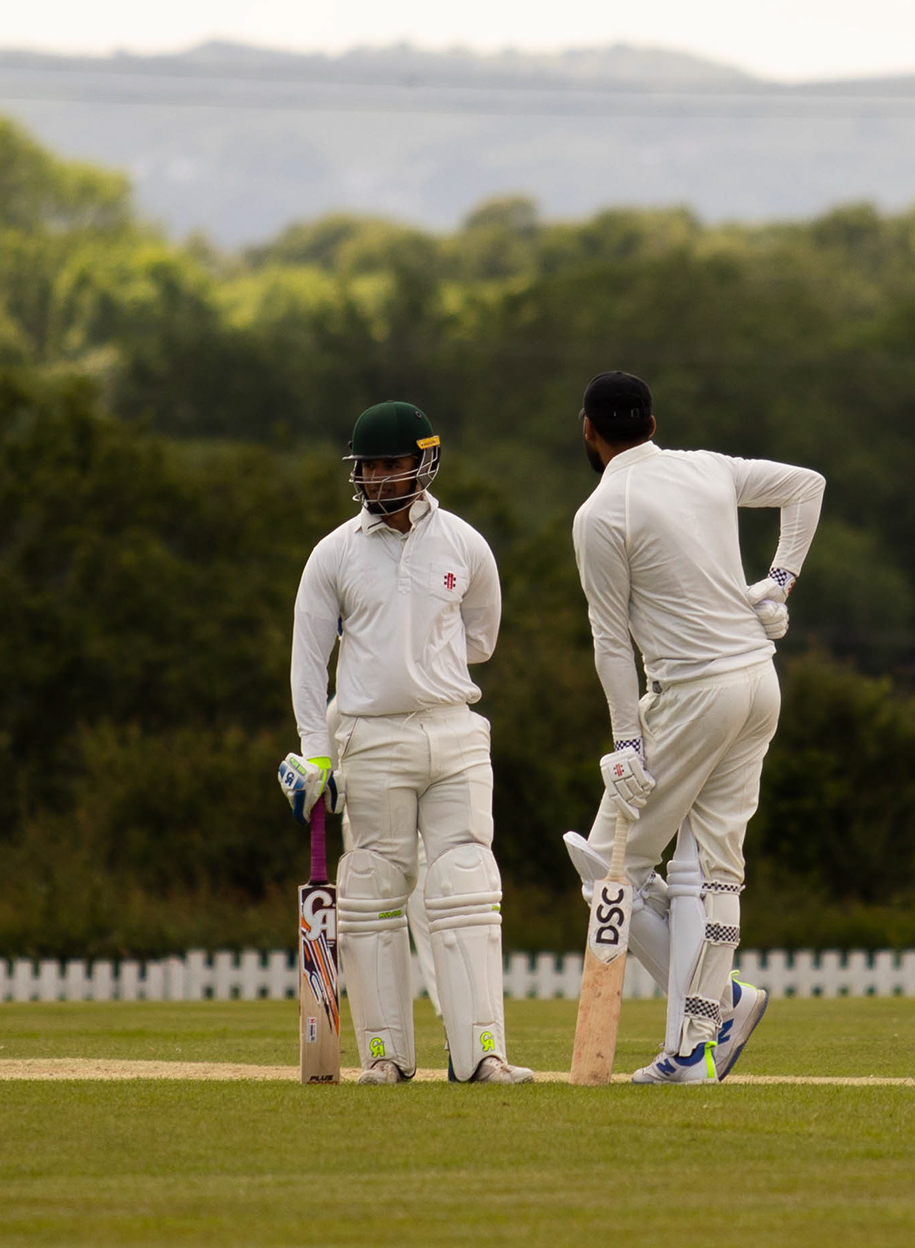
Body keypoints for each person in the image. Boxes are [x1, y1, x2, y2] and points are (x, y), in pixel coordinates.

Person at [563, 371, 825, 1084]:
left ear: (588, 431)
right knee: (713, 871)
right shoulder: (706, 467)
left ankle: (717, 1009)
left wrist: (626, 740)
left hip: (693, 695)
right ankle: (695, 1046)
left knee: (607, 872)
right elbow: (807, 486)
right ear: (652, 423)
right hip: (758, 682)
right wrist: (778, 583)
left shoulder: (600, 512)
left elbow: (610, 640)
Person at [280, 401, 532, 1085]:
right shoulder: (334, 554)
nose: (376, 477)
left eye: (391, 464)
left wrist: (422, 665)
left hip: (454, 731)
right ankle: (385, 1057)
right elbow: (308, 662)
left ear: (424, 463)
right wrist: (316, 751)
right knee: (371, 889)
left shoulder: (464, 544)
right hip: (371, 737)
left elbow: (481, 639)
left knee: (467, 882)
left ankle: (481, 1053)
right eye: (368, 465)